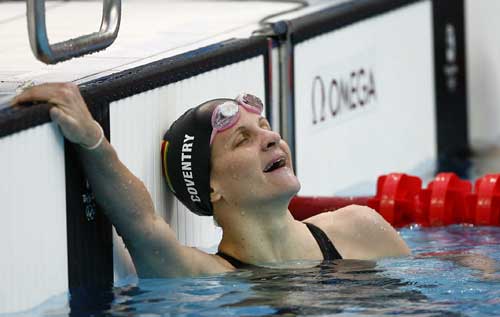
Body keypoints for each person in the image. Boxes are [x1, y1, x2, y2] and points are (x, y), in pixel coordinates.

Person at [12, 83, 411, 278]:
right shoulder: (209, 279)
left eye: (266, 126)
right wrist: (92, 139)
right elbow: (144, 226)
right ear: (212, 188)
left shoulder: (360, 228)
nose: (270, 137)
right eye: (243, 139)